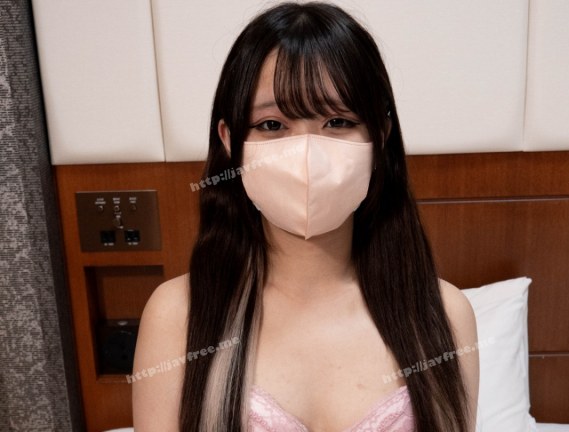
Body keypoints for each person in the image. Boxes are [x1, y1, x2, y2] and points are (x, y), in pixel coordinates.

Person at [132, 2, 479, 431]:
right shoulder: (176, 316)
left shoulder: (443, 314)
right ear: (229, 140)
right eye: (272, 125)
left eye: (338, 121)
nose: (307, 152)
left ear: (380, 135)